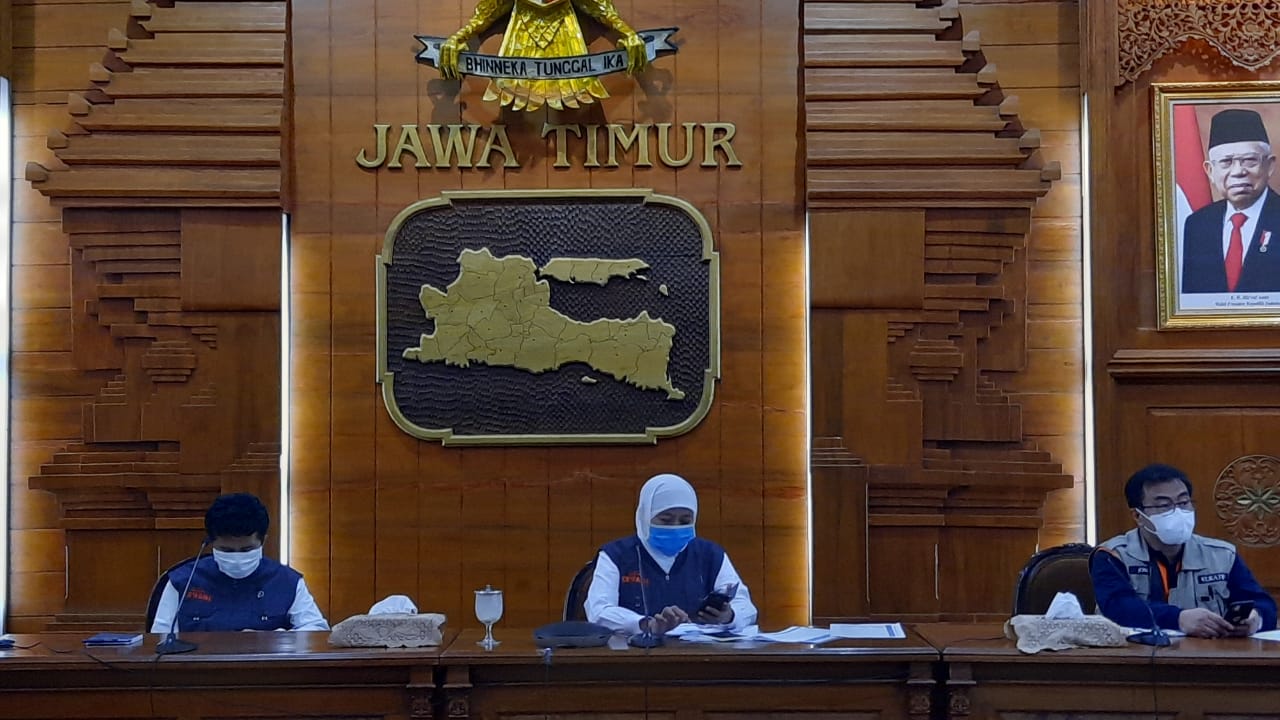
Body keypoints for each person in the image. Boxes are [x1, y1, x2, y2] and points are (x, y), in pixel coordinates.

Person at [1091, 463, 1277, 638]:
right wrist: (1178, 619)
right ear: (1137, 516)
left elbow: (1264, 604)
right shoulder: (1113, 555)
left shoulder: (1221, 555)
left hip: (1211, 658)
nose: (1177, 511)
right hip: (1133, 659)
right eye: (1164, 505)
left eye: (1183, 502)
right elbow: (1118, 608)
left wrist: (1256, 619)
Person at [585, 473, 758, 636]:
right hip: (633, 658)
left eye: (685, 521)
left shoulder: (710, 554)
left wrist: (729, 617)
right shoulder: (616, 555)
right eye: (666, 520)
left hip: (700, 655)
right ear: (646, 516)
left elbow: (746, 607)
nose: (675, 527)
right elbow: (599, 611)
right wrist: (646, 624)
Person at [150, 493, 329, 633]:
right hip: (197, 676)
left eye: (246, 550)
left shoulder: (288, 581)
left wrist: (274, 638)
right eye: (227, 550)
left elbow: (316, 632)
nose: (237, 558)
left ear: (263, 541)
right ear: (210, 543)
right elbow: (159, 638)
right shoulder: (182, 581)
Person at [1182, 108, 1280, 293]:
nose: (1238, 172)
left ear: (1269, 165)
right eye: (1226, 162)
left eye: (1250, 160)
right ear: (1210, 171)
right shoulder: (1197, 225)